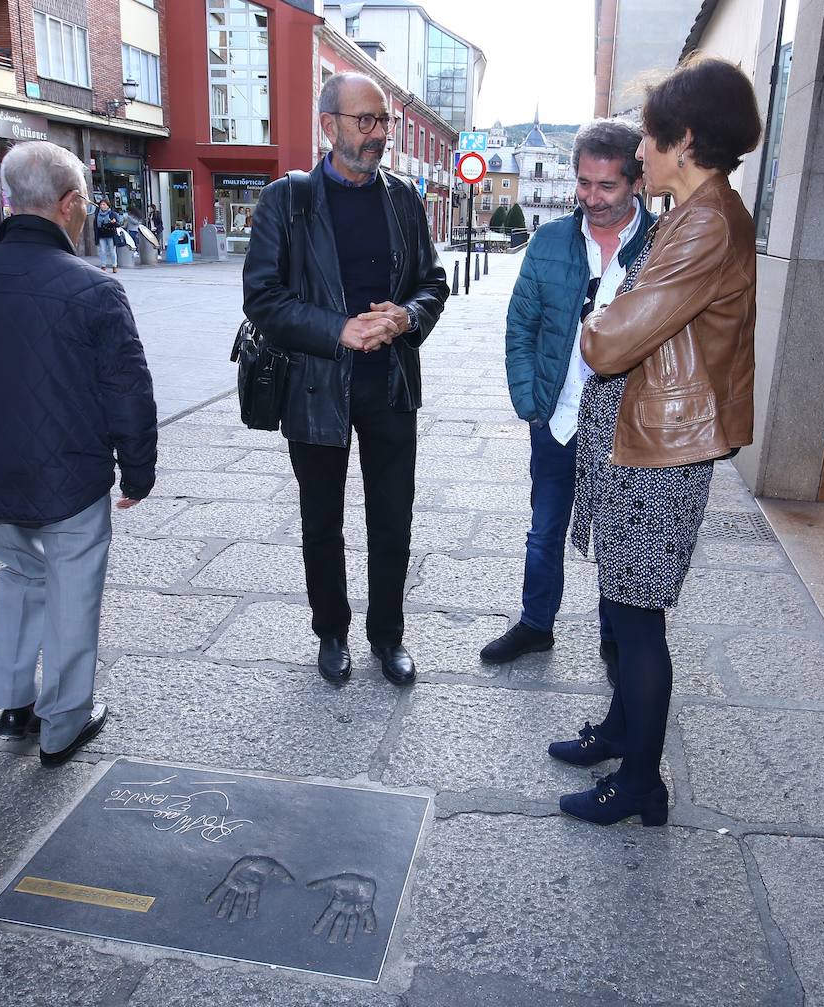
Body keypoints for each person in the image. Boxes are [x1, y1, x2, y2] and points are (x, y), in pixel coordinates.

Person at [550, 55, 761, 827]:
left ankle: (641, 781)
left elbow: (609, 344)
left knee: (637, 619)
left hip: (658, 454)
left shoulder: (704, 222)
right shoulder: (697, 214)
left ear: (687, 138)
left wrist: (592, 321)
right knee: (623, 604)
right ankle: (620, 729)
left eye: (649, 137)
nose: (640, 152)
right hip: (643, 442)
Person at [0, 141, 158, 766]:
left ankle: (14, 703)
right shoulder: (93, 290)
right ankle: (64, 723)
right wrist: (137, 469)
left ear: (9, 202)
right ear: (71, 205)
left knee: (20, 573)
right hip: (69, 474)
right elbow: (126, 390)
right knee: (73, 586)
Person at [242, 72, 449, 687]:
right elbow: (263, 298)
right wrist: (339, 328)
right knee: (321, 521)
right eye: (366, 121)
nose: (380, 133)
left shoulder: (403, 198)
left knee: (393, 518)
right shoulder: (289, 200)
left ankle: (388, 636)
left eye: (383, 120)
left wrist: (406, 314)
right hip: (316, 386)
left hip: (390, 384)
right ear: (328, 125)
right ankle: (330, 632)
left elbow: (432, 283)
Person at [481, 118, 653, 668]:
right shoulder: (551, 241)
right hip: (557, 416)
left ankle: (616, 637)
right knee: (544, 528)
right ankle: (536, 624)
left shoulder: (661, 246)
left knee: (618, 539)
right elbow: (521, 326)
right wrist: (530, 402)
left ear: (636, 183)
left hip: (623, 425)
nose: (592, 198)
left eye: (607, 186)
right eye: (583, 183)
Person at [95, 199, 124, 273]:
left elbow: (118, 224)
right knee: (102, 251)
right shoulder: (97, 214)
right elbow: (96, 226)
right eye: (101, 205)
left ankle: (114, 266)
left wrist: (114, 222)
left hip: (111, 234)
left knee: (112, 251)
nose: (102, 206)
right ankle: (103, 266)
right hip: (102, 235)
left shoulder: (112, 214)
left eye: (104, 204)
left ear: (108, 206)